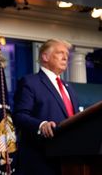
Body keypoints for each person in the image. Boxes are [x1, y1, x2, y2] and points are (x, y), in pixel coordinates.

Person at [13, 39, 79, 175]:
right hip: (41, 160)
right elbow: (19, 115)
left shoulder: (68, 87)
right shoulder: (30, 82)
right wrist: (41, 125)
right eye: (60, 53)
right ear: (45, 57)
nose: (65, 57)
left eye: (66, 54)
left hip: (70, 159)